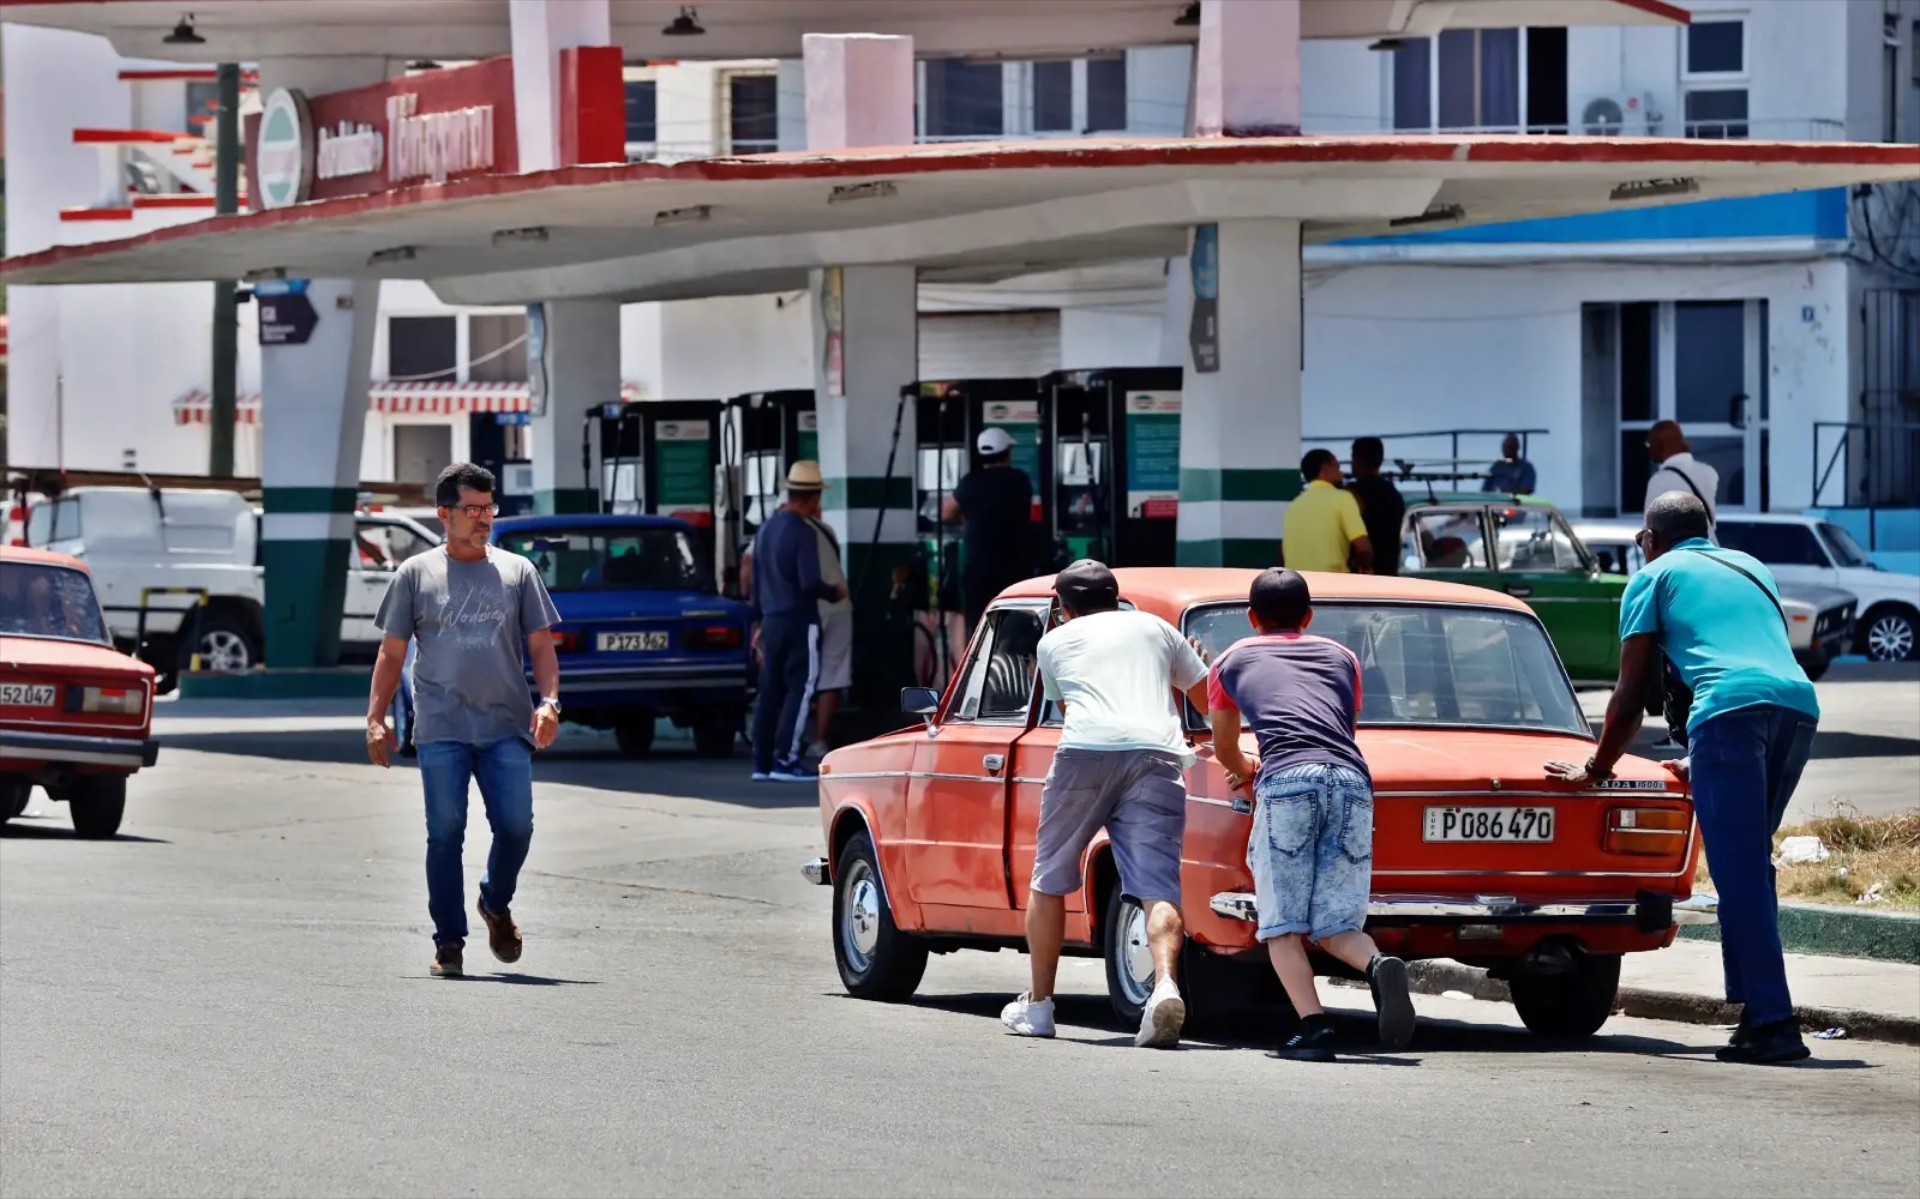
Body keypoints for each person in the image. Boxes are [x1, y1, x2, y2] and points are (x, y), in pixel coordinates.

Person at [1546, 492, 1818, 1065]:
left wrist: (1597, 768)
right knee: (1750, 863)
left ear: (1650, 538)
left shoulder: (1652, 576)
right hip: (1797, 708)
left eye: (1643, 539)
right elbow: (1748, 655)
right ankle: (1754, 1010)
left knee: (1738, 868)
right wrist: (1704, 761)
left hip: (1728, 714)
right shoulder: (1751, 566)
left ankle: (1775, 1022)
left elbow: (1628, 699)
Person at [1207, 569, 1415, 1061]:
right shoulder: (1343, 657)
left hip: (1286, 781)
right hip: (1350, 781)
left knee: (1281, 924)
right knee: (1336, 922)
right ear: (1308, 616)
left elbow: (1222, 744)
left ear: (1251, 617)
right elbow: (1346, 727)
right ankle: (1377, 963)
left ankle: (1314, 1028)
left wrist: (1246, 770)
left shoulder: (1231, 659)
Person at [1001, 560, 1210, 1048]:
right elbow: (1207, 696)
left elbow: (1075, 711)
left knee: (1049, 875)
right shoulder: (1157, 628)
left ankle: (1039, 1006)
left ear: (1063, 607)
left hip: (1086, 752)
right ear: (1117, 598)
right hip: (1159, 755)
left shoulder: (1052, 642)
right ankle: (1162, 986)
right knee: (1157, 884)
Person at [366, 463, 562, 980]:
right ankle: (449, 942)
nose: (483, 519)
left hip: (505, 725)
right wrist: (376, 718)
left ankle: (495, 902)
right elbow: (391, 653)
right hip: (442, 727)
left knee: (517, 827)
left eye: (488, 508)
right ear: (444, 514)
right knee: (445, 833)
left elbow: (541, 646)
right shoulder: (415, 574)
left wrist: (550, 702)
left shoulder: (518, 572)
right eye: (472, 509)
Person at [748, 460, 846, 782]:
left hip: (771, 621)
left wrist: (756, 624)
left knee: (770, 692)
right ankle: (786, 759)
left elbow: (756, 584)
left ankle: (761, 762)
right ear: (813, 497)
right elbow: (808, 582)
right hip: (800, 621)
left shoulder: (766, 529)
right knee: (801, 689)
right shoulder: (803, 533)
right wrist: (833, 593)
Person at [944, 427, 1035, 634]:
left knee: (980, 626)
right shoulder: (1020, 480)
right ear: (1007, 453)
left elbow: (946, 512)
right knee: (1014, 626)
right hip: (1014, 567)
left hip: (978, 567)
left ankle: (981, 664)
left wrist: (967, 518)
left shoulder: (970, 482)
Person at [805, 511, 853, 757]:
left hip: (807, 610)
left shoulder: (776, 531)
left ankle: (785, 742)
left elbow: (748, 569)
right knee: (832, 674)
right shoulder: (826, 530)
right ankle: (818, 740)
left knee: (795, 675)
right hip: (838, 606)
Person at [1280, 449, 1372, 574]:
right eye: (1337, 466)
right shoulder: (1343, 498)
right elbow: (1363, 548)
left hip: (1297, 586)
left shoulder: (1294, 505)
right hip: (1332, 585)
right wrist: (1365, 567)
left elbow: (1282, 556)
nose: (1342, 473)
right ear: (1324, 468)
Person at [1346, 437, 1405, 577]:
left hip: (1362, 576)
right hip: (1389, 575)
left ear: (1357, 458)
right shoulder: (1394, 494)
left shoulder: (1351, 493)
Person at [1644, 420, 1719, 524]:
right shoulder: (1709, 472)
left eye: (1649, 443)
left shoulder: (1659, 481)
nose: (1648, 448)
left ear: (1659, 445)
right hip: (1709, 540)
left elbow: (1650, 529)